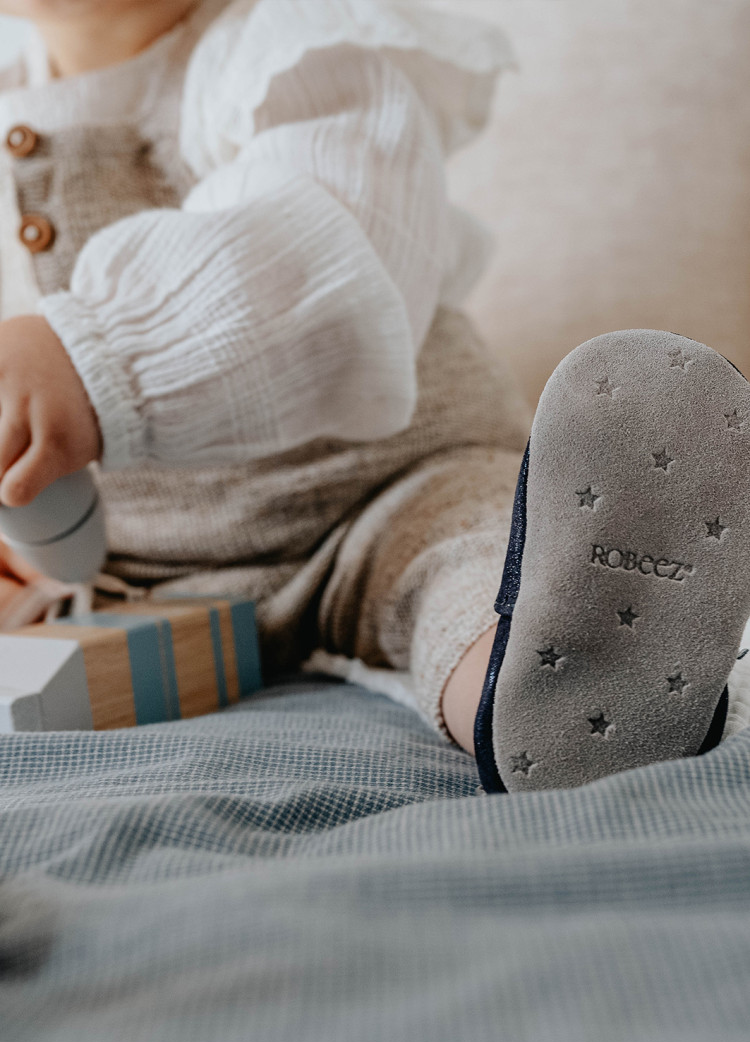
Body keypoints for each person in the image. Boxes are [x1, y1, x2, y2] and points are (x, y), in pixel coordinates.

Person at [0, 0, 746, 792]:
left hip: (388, 492)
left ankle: (568, 691)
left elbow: (326, 247)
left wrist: (97, 358)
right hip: (139, 568)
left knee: (474, 566)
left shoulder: (305, 46)